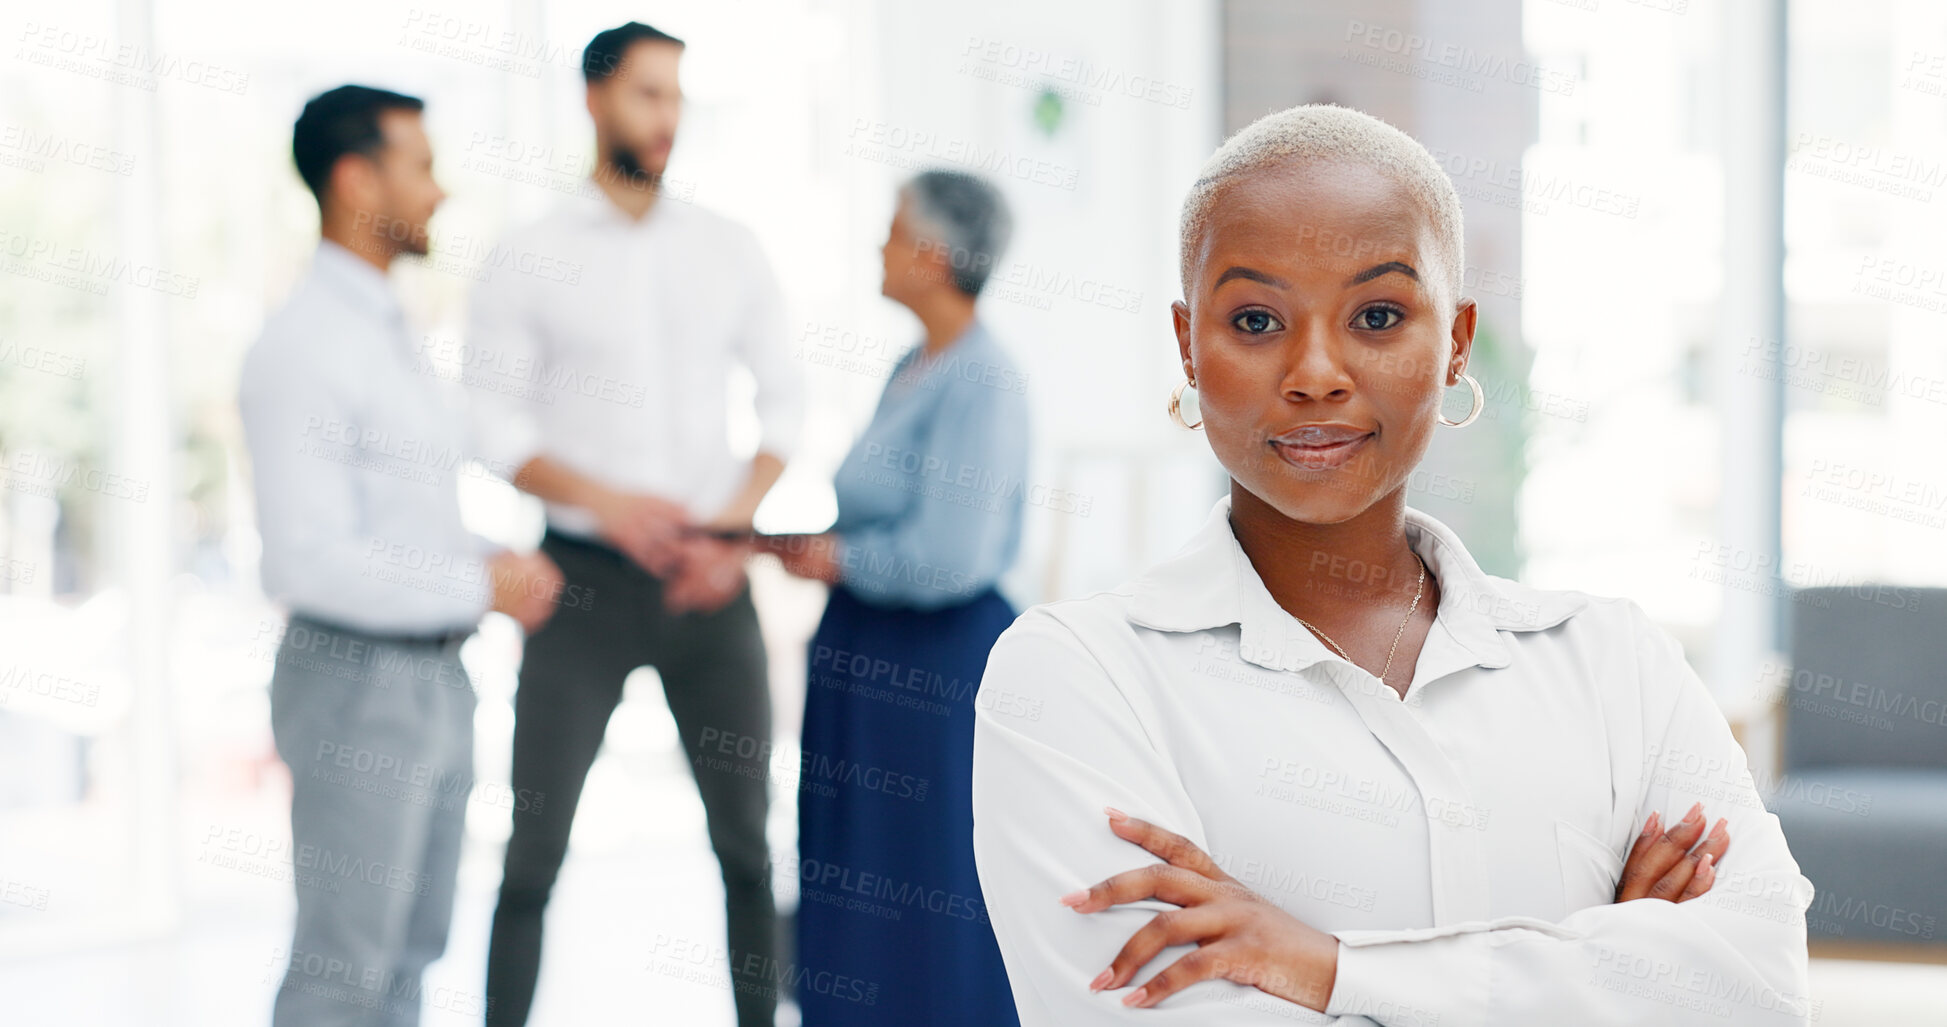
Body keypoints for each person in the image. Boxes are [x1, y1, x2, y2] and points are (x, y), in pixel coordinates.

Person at [970, 103, 1814, 1025]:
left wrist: (1331, 969)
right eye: (1255, 319)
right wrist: (1611, 970)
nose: (1316, 371)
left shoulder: (1612, 661)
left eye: (1377, 314)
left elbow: (1762, 988)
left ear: (1453, 340)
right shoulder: (1077, 677)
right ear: (1186, 344)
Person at [464, 22, 804, 1027]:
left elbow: (784, 407)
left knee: (747, 847)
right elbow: (489, 423)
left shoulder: (727, 249)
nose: (666, 118)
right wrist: (611, 506)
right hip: (583, 586)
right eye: (646, 95)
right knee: (532, 854)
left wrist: (726, 532)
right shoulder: (529, 254)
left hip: (712, 582)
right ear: (594, 99)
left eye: (676, 97)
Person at [239, 84, 562, 1027]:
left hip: (432, 678)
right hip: (355, 681)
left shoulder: (388, 332)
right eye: (420, 166)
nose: (440, 192)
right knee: (345, 969)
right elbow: (307, 560)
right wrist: (475, 582)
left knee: (409, 955)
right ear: (354, 178)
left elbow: (394, 518)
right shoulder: (304, 344)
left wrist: (485, 557)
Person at [763, 170, 1026, 1026]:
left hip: (932, 671)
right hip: (866, 655)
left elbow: (951, 555)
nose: (878, 244)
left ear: (935, 253)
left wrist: (837, 557)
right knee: (855, 873)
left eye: (892, 228)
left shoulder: (982, 379)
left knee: (927, 883)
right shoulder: (914, 364)